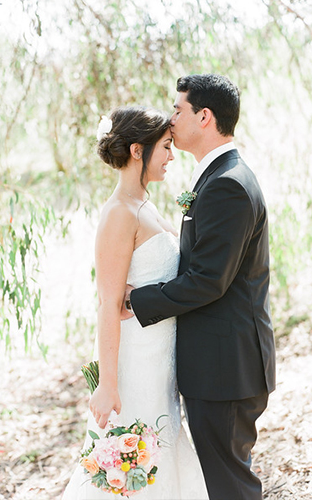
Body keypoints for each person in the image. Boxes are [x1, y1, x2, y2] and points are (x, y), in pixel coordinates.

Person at [124, 74, 276, 500]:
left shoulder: (226, 184)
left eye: (178, 110)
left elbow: (209, 280)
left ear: (204, 116)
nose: (171, 120)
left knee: (230, 485)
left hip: (226, 369)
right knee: (224, 479)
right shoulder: (219, 177)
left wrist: (137, 300)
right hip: (222, 365)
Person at [62, 106, 208, 499]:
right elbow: (108, 304)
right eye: (165, 147)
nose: (172, 156)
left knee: (162, 443)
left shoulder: (147, 205)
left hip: (161, 358)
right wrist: (107, 383)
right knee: (134, 462)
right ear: (137, 151)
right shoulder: (118, 215)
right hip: (132, 361)